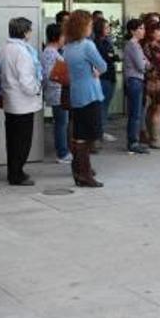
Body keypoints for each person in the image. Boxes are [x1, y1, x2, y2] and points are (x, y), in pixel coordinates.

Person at [63, 10, 106, 187]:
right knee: (90, 136)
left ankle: (78, 171)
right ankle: (85, 174)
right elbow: (102, 66)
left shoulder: (67, 47)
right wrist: (96, 71)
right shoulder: (87, 45)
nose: (91, 28)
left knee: (79, 134)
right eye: (89, 25)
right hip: (90, 93)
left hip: (75, 93)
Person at [0, 17, 42, 186]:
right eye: (29, 30)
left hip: (10, 99)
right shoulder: (22, 52)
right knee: (23, 141)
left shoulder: (6, 49)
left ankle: (14, 170)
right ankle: (17, 174)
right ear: (24, 32)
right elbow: (26, 79)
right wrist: (36, 89)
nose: (31, 33)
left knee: (12, 140)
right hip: (23, 102)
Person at [41, 23, 72, 163]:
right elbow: (49, 74)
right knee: (61, 123)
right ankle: (62, 153)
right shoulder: (50, 52)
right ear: (58, 37)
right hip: (57, 92)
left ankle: (64, 151)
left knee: (62, 122)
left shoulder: (55, 52)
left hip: (59, 92)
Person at [142, 19, 160, 150]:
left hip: (151, 80)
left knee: (151, 110)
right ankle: (156, 139)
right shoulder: (153, 45)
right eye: (158, 30)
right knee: (158, 109)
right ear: (151, 32)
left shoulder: (146, 44)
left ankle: (151, 136)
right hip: (156, 81)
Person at [123, 19, 150, 154]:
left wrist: (146, 62)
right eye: (140, 28)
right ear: (132, 31)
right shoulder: (132, 45)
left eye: (143, 28)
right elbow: (141, 65)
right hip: (135, 80)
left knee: (137, 112)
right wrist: (146, 64)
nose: (143, 31)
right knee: (135, 113)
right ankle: (133, 142)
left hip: (136, 79)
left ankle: (134, 140)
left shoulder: (136, 45)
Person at [93, 17, 119, 143]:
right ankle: (100, 132)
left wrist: (113, 57)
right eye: (106, 27)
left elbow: (112, 56)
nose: (109, 30)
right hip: (103, 78)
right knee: (102, 107)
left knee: (105, 106)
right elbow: (106, 58)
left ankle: (101, 131)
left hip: (110, 76)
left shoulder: (107, 42)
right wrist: (112, 57)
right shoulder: (97, 43)